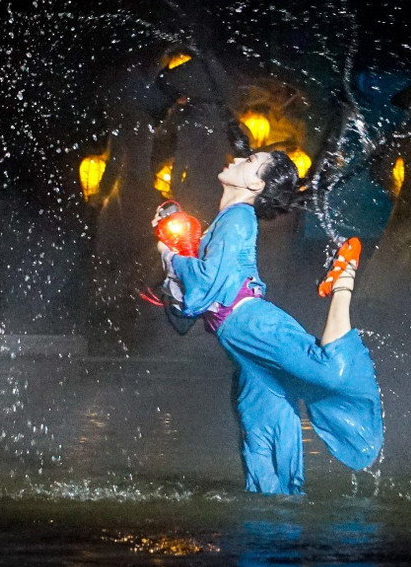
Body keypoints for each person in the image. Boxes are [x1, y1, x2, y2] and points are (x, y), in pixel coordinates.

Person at [154, 150, 383, 495]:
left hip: (254, 326)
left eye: (249, 160)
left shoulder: (238, 219)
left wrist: (171, 256)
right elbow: (196, 296)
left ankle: (343, 282)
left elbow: (205, 284)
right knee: (263, 446)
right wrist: (176, 254)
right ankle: (273, 522)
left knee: (329, 369)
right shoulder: (228, 219)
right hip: (242, 347)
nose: (237, 158)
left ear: (255, 183)